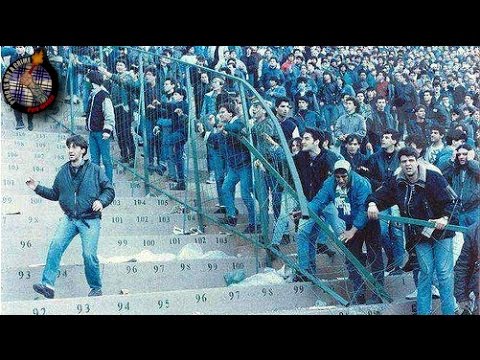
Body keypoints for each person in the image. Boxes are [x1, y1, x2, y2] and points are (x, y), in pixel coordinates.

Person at [367, 147, 458, 315]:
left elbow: (452, 202)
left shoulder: (433, 177)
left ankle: (450, 312)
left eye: (411, 160)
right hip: (419, 236)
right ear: (400, 163)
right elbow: (381, 195)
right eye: (404, 161)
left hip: (442, 233)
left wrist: (444, 219)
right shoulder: (397, 181)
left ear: (417, 161)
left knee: (444, 275)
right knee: (425, 274)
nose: (408, 164)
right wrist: (373, 203)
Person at [26, 135, 115, 299]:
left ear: (83, 150)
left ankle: (96, 288)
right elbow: (55, 194)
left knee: (89, 255)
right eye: (69, 147)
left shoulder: (95, 170)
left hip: (90, 219)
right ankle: (48, 285)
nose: (70, 150)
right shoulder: (63, 171)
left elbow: (109, 190)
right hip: (69, 218)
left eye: (74, 147)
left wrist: (101, 202)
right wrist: (37, 187)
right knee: (55, 246)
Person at [85, 70, 115, 183]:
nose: (86, 82)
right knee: (94, 160)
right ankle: (95, 183)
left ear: (92, 81)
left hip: (101, 132)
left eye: (87, 80)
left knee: (106, 159)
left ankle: (108, 184)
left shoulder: (103, 95)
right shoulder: (93, 94)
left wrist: (107, 130)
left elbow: (109, 114)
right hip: (92, 132)